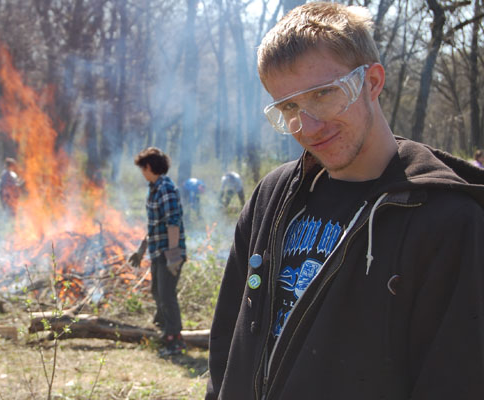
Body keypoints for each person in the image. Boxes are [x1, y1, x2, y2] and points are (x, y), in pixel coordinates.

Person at [206, 3, 484, 400]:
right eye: (289, 107)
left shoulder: (447, 220)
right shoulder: (272, 197)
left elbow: (455, 380)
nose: (308, 126)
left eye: (323, 94)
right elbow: (227, 349)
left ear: (372, 81)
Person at [128, 147, 187, 356]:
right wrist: (140, 250)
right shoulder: (153, 188)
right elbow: (154, 225)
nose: (142, 173)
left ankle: (175, 340)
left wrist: (173, 257)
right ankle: (164, 328)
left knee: (167, 295)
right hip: (157, 250)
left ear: (150, 167)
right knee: (156, 292)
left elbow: (173, 223)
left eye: (143, 168)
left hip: (168, 252)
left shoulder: (166, 189)